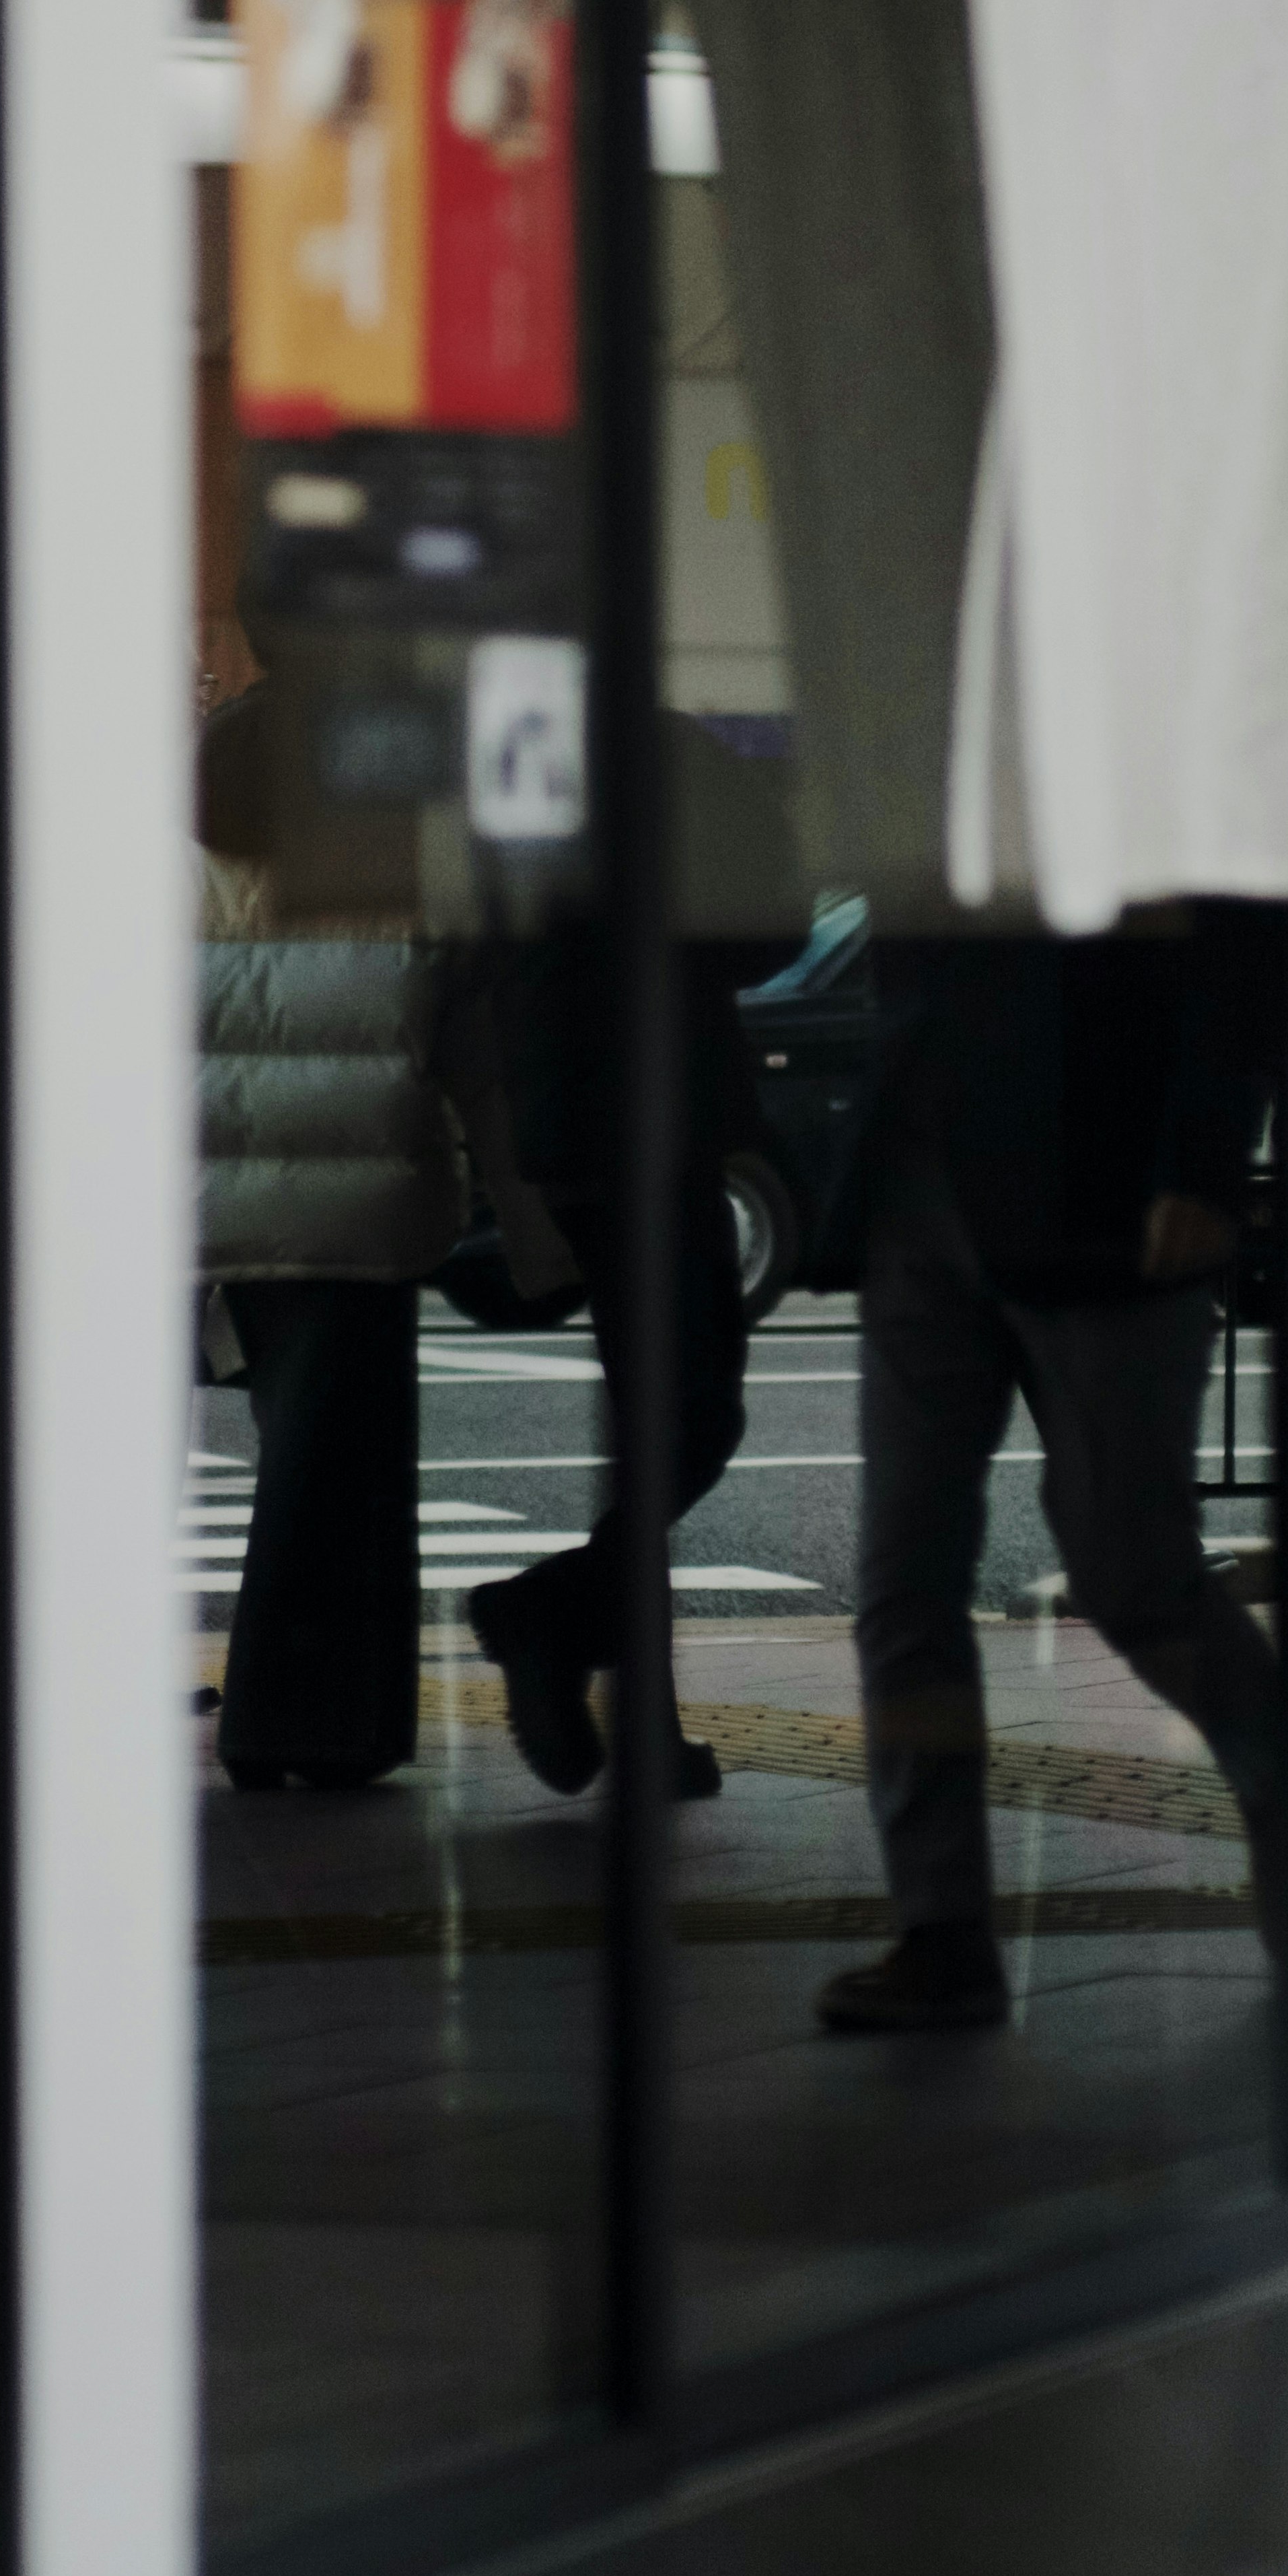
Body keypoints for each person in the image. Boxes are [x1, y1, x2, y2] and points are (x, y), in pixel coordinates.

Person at [819, 911, 1284, 2036]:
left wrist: (1204, 1153)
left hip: (1105, 1182)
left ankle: (1281, 1785)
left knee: (1133, 1572)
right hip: (926, 1173)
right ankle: (942, 1929)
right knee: (901, 1575)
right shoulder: (923, 749)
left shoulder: (1128, 746)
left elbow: (1247, 943)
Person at [196, 682, 539, 1788]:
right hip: (353, 1210)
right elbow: (482, 1066)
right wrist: (532, 1227)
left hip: (199, 1210)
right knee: (336, 1479)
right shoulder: (408, 876)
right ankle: (308, 1723)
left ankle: (272, 1718)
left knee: (241, 1464)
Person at [468, 723, 801, 1807]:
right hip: (657, 1106)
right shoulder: (677, 756)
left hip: (561, 1113)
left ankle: (642, 1721)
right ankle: (547, 1616)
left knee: (649, 1418)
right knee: (697, 1417)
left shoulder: (508, 757)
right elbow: (774, 920)